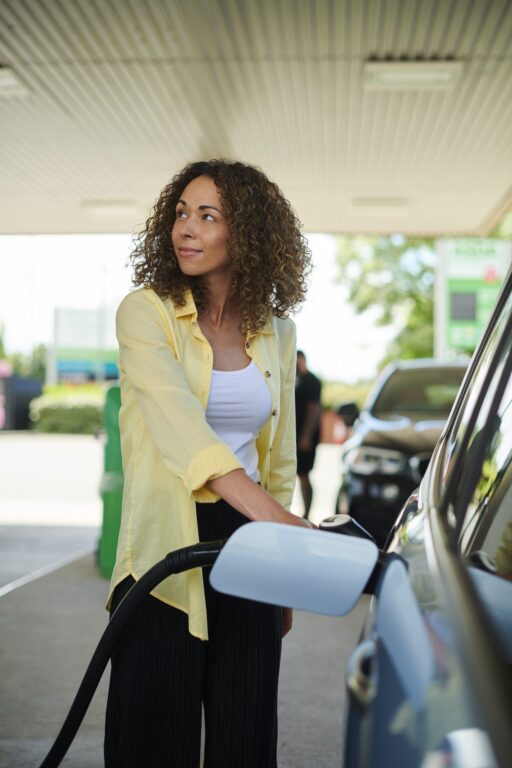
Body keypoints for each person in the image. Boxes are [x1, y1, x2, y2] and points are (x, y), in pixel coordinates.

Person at [104, 159, 313, 768]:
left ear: (245, 232)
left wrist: (284, 568)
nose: (185, 229)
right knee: (153, 740)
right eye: (180, 213)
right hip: (163, 554)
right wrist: (278, 522)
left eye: (207, 215)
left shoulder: (276, 331)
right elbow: (180, 427)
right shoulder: (146, 313)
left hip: (250, 550)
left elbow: (279, 459)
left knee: (244, 734)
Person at [295, 350, 322, 520]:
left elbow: (314, 410)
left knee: (304, 475)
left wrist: (306, 436)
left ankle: (307, 513)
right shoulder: (294, 379)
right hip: (294, 435)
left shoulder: (312, 381)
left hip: (305, 437)